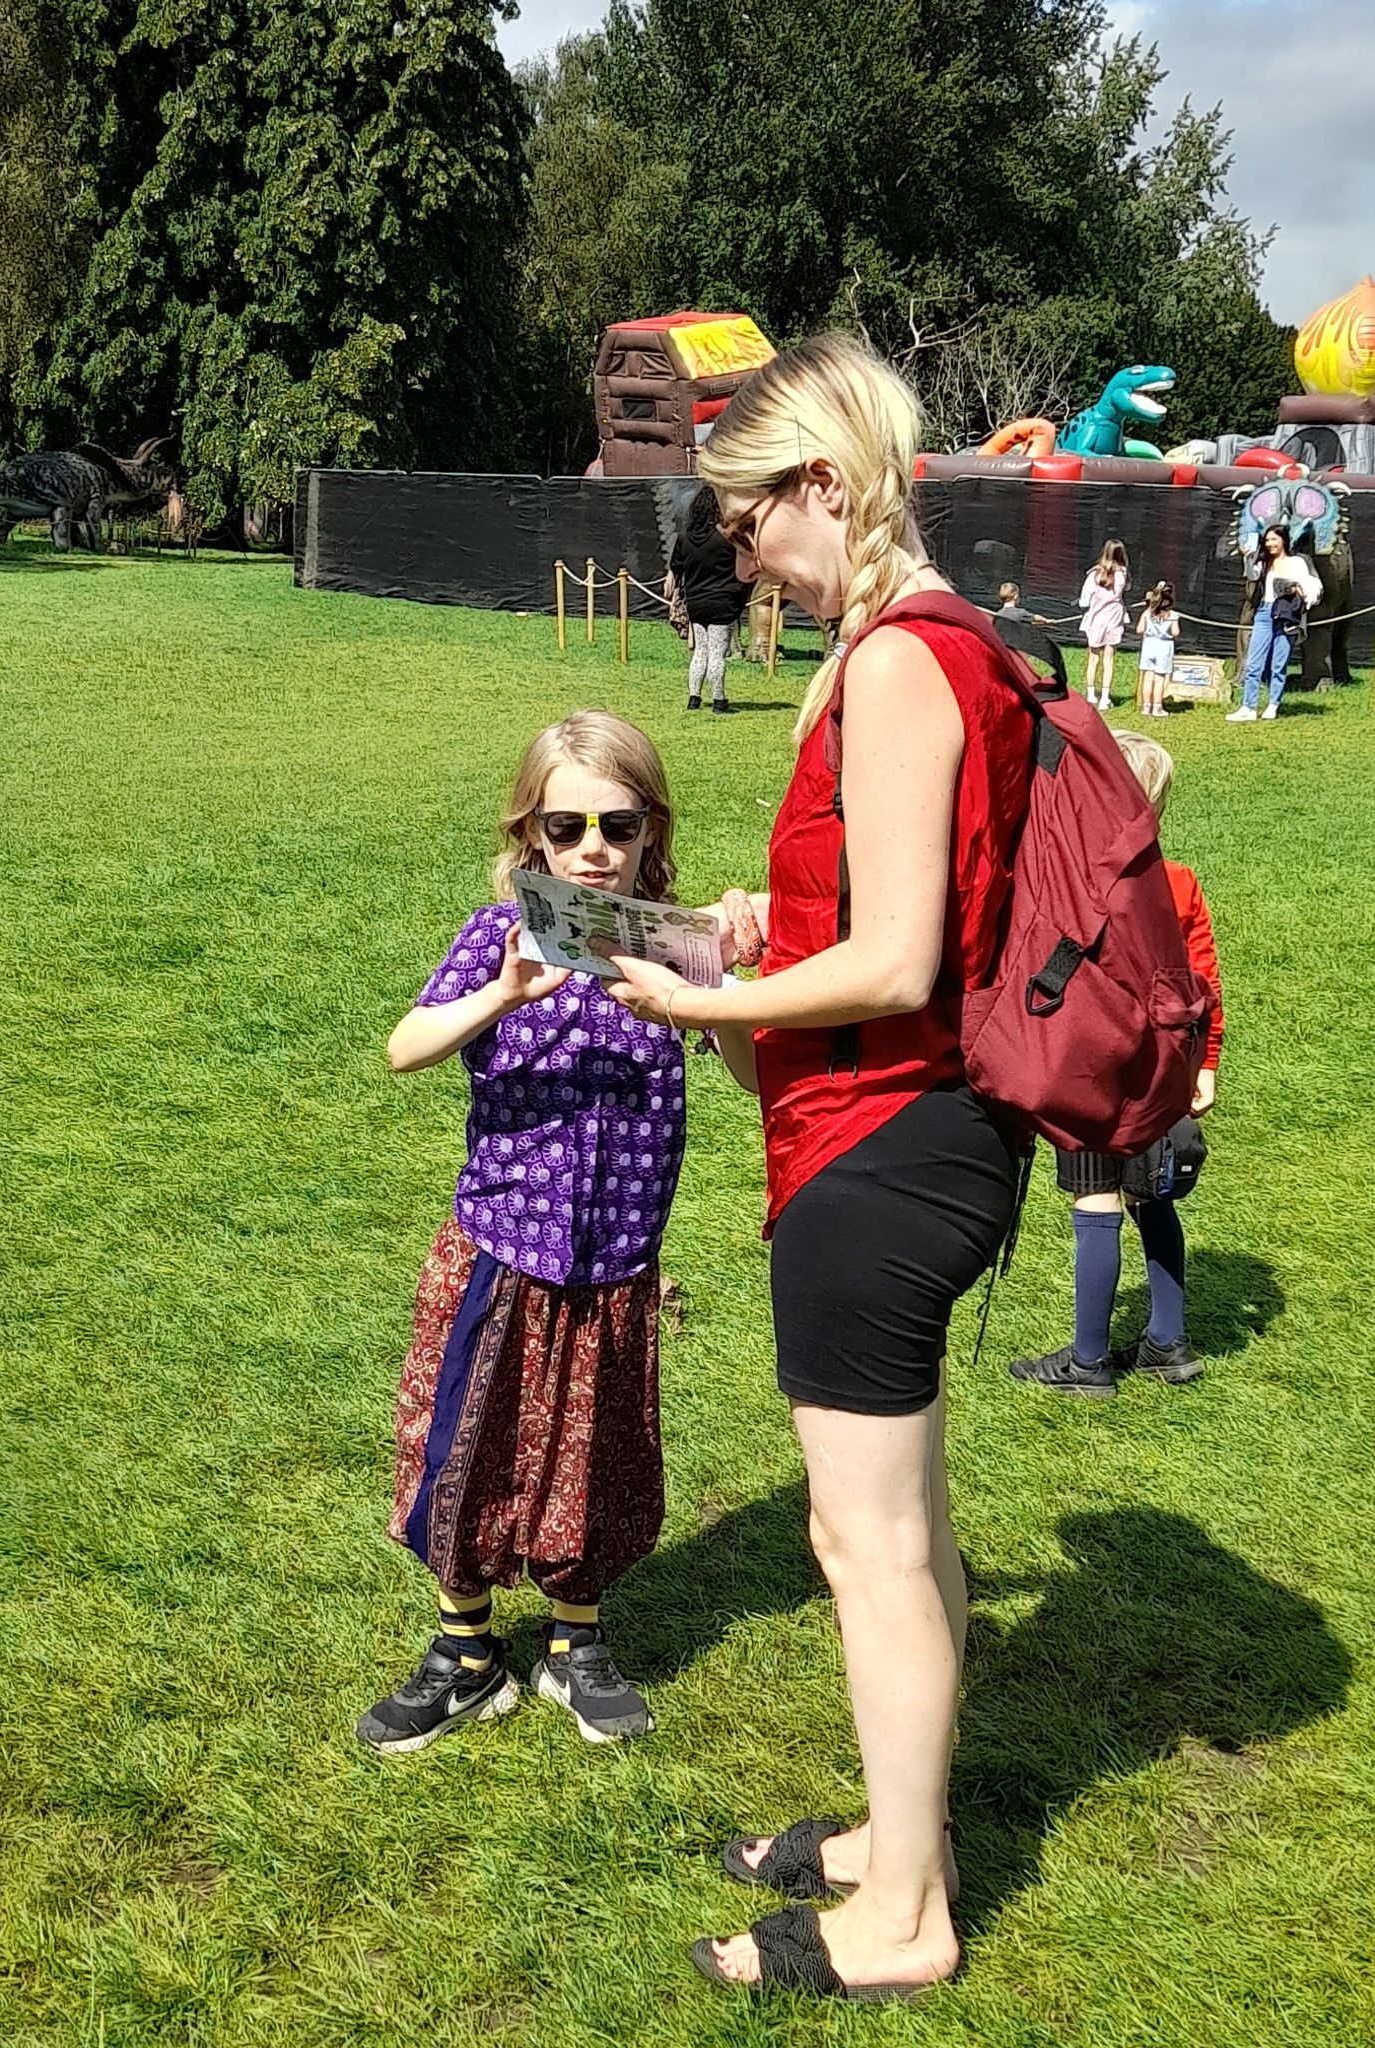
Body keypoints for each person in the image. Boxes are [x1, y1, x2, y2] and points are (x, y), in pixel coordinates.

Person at [596, 333, 1034, 2003]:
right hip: (900, 1134)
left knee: (870, 1551)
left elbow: (902, 960)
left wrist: (702, 995)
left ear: (827, 487)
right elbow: (892, 915)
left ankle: (905, 1916)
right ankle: (898, 1839)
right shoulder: (919, 642)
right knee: (906, 1533)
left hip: (882, 1148)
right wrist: (766, 930)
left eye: (746, 518)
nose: (740, 554)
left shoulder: (905, 660)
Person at [358, 712, 686, 1753]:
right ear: (531, 834)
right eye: (567, 826)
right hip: (501, 1249)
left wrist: (705, 1003)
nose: (593, 848)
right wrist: (499, 996)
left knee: (597, 1458)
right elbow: (405, 1046)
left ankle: (575, 1640)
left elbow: (755, 1074)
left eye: (618, 824)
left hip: (616, 1260)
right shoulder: (494, 935)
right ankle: (464, 1653)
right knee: (468, 1443)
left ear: (649, 830)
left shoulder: (675, 945)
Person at [1009, 730, 1223, 1396]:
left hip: (1091, 1065)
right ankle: (1168, 1341)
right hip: (1164, 1069)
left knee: (1095, 1197)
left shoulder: (1073, 881)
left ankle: (1089, 1360)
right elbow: (1204, 982)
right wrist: (1205, 1065)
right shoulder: (1179, 883)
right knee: (1152, 1193)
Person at [1226, 523, 1322, 723]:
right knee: (1253, 663)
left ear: (1283, 541)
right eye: (1267, 540)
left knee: (1279, 663)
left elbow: (1308, 586)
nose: (1270, 544)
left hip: (1287, 614)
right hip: (1265, 612)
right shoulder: (1264, 562)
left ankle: (1273, 704)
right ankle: (1248, 707)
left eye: (1273, 540)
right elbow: (1252, 575)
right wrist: (1248, 557)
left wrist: (1296, 589)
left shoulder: (1297, 562)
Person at [669, 484, 745, 712]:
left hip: (696, 603)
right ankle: (719, 700)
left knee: (700, 650)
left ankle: (694, 698)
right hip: (722, 602)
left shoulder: (684, 538)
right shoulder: (726, 539)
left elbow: (676, 568)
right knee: (717, 653)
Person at [1079, 540, 1128, 710]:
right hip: (1114, 620)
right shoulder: (1122, 573)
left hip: (1096, 620)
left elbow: (1084, 601)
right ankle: (1105, 699)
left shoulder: (1094, 574)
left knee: (1093, 659)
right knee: (1109, 660)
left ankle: (1091, 695)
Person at [1136, 581, 1180, 718]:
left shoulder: (1147, 613)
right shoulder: (1172, 615)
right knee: (1159, 678)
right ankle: (1157, 707)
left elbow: (1139, 630)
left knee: (1148, 678)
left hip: (1149, 645)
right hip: (1164, 646)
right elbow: (1175, 632)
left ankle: (1146, 707)